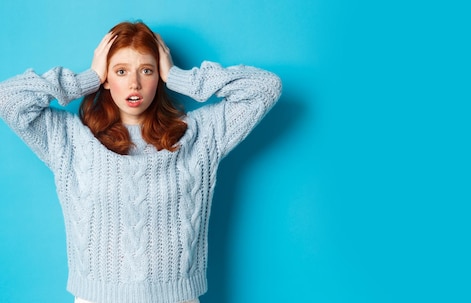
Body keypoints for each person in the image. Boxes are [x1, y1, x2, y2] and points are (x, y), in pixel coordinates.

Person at [0, 21, 282, 303]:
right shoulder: (71, 139)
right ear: (107, 79)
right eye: (121, 71)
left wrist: (178, 76)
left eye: (146, 70)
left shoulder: (199, 134)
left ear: (157, 76)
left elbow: (265, 87)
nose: (134, 83)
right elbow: (9, 98)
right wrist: (89, 77)